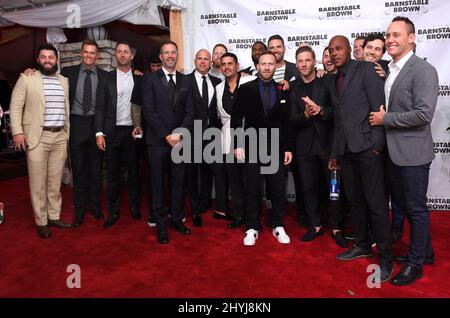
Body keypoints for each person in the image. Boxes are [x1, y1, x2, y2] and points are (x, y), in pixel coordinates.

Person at [369, 16, 438, 286]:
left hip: (413, 154)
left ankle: (415, 264)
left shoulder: (423, 70)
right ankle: (427, 253)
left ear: (411, 38)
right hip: (393, 152)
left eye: (397, 34)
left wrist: (385, 119)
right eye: (388, 35)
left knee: (416, 209)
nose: (390, 39)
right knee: (406, 207)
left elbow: (423, 114)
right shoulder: (391, 69)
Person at [327, 35, 393, 282]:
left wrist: (377, 145)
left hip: (367, 149)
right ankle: (363, 245)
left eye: (339, 48)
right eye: (332, 49)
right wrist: (335, 154)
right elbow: (339, 122)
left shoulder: (366, 69)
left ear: (349, 50)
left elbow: (379, 107)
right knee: (355, 202)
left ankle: (386, 259)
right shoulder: (335, 80)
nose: (335, 53)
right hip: (346, 152)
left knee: (376, 205)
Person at [10, 44, 72, 238]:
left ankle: (54, 216)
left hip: (60, 137)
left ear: (56, 60)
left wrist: (66, 133)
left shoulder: (64, 81)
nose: (47, 60)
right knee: (38, 183)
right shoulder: (27, 78)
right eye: (43, 57)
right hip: (37, 137)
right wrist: (18, 132)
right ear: (38, 60)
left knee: (55, 182)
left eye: (51, 57)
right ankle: (41, 221)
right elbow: (15, 106)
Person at [231, 51, 293, 246]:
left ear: (276, 66)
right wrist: (238, 143)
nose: (267, 67)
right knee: (252, 188)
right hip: (251, 145)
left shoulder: (283, 90)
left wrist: (288, 148)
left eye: (270, 64)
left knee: (277, 187)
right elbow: (236, 117)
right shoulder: (246, 88)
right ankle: (252, 227)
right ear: (257, 66)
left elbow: (287, 122)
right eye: (263, 63)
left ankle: (277, 224)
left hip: (276, 146)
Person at [290, 46, 347, 248]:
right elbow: (291, 119)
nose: (304, 64)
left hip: (328, 148)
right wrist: (305, 115)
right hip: (304, 149)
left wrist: (320, 110)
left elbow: (337, 113)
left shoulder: (327, 82)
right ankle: (316, 225)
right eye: (300, 61)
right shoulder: (293, 88)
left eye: (307, 60)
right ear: (296, 64)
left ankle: (337, 227)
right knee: (309, 189)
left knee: (334, 190)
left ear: (315, 61)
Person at [142, 41, 194, 244]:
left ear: (177, 55)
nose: (170, 55)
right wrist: (166, 135)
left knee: (178, 182)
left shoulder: (185, 81)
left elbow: (191, 111)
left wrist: (179, 135)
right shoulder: (149, 79)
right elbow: (149, 110)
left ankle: (177, 220)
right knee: (157, 184)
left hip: (179, 141)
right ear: (161, 57)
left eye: (173, 52)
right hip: (157, 141)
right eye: (166, 53)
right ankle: (161, 225)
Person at [59, 39, 107, 227]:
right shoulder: (67, 74)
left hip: (97, 125)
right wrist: (31, 71)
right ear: (81, 53)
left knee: (96, 169)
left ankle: (95, 207)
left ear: (97, 56)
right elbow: (48, 80)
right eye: (86, 52)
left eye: (92, 53)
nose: (89, 56)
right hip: (77, 124)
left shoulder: (104, 76)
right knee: (78, 170)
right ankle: (79, 211)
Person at [95, 41, 143, 228]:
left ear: (132, 56)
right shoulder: (106, 78)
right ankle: (113, 211)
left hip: (132, 131)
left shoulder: (140, 79)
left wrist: (140, 126)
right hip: (112, 131)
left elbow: (144, 107)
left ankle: (134, 207)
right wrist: (99, 132)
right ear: (116, 55)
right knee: (112, 174)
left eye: (126, 52)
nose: (123, 55)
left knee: (134, 172)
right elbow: (100, 107)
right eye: (119, 52)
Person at [216, 52, 256, 229]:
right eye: (223, 64)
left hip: (250, 138)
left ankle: (252, 217)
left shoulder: (250, 82)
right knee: (235, 181)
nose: (226, 67)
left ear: (237, 66)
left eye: (230, 63)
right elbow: (219, 116)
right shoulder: (218, 89)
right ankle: (239, 215)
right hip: (228, 140)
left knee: (251, 181)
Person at [186, 49, 222, 227]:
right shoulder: (185, 81)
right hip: (191, 134)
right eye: (199, 58)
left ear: (211, 62)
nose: (202, 62)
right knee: (192, 172)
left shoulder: (217, 82)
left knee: (209, 171)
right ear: (194, 61)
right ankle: (194, 207)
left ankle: (205, 202)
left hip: (212, 133)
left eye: (205, 59)